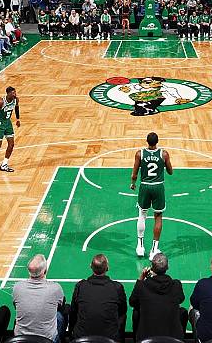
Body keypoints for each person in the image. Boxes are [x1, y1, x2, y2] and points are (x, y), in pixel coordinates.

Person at [130, 132, 173, 260]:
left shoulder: (140, 153)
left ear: (147, 141)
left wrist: (132, 184)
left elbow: (134, 174)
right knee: (158, 217)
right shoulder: (163, 154)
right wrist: (164, 165)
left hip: (144, 186)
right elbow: (170, 172)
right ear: (157, 141)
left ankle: (140, 247)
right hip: (158, 186)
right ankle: (154, 251)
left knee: (142, 214)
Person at [69, 254, 127, 342]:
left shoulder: (80, 286)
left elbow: (73, 311)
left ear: (90, 267)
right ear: (107, 268)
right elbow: (123, 310)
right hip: (110, 339)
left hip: (81, 338)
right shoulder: (117, 287)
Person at [13, 254, 66, 343]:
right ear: (45, 270)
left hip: (21, 338)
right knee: (60, 315)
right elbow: (60, 307)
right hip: (47, 339)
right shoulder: (55, 288)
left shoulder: (17, 287)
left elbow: (15, 306)